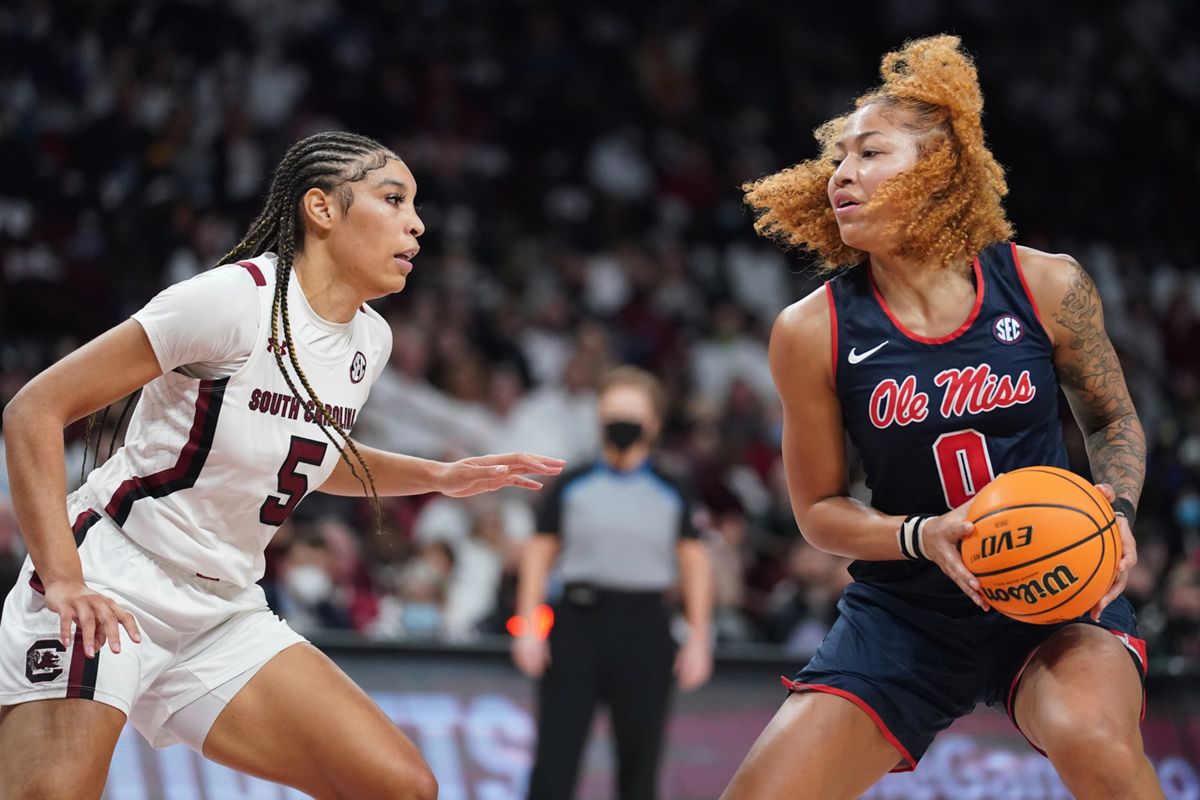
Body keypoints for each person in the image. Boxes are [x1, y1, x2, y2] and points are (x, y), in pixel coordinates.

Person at [0, 130, 564, 800]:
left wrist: (439, 477)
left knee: (400, 787)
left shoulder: (370, 340)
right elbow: (33, 411)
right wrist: (63, 578)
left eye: (415, 205)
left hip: (222, 610)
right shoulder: (229, 301)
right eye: (393, 199)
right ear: (322, 209)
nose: (417, 222)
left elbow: (308, 456)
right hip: (114, 579)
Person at [721, 36, 1162, 799]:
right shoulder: (811, 329)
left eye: (870, 153)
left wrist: (1117, 510)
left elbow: (1114, 421)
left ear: (938, 173)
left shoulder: (1045, 284)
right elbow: (818, 511)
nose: (842, 175)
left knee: (1099, 745)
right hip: (906, 611)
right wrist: (921, 535)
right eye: (839, 159)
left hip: (1056, 591)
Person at [512, 366, 714, 800]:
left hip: (646, 625)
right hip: (577, 623)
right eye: (613, 412)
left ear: (654, 423)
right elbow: (538, 552)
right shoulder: (573, 482)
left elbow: (694, 562)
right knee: (555, 757)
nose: (621, 422)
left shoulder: (673, 486)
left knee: (641, 762)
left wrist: (700, 636)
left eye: (632, 414)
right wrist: (528, 626)